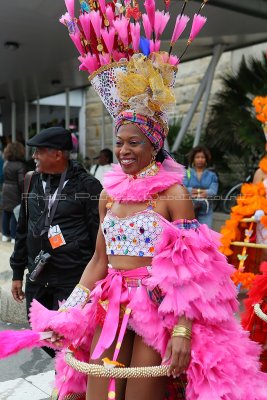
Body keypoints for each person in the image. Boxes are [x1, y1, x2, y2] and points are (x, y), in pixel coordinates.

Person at [25, 24, 267, 400]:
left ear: (154, 145)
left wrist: (183, 331)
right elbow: (98, 261)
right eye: (119, 142)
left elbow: (191, 272)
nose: (123, 150)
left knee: (141, 394)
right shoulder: (108, 194)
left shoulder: (174, 194)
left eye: (134, 142)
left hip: (158, 310)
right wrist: (69, 312)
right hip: (109, 305)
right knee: (98, 393)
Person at [10, 126, 102, 357]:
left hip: (72, 277)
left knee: (72, 340)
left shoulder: (88, 186)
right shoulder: (30, 181)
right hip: (38, 277)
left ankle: (68, 386)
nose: (33, 157)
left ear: (58, 154)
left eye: (38, 151)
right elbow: (23, 229)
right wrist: (17, 272)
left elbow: (99, 235)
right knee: (44, 334)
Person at [183, 145, 218, 228]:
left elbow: (213, 192)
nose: (200, 159)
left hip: (206, 210)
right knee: (189, 233)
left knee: (205, 233)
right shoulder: (187, 173)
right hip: (189, 208)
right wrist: (203, 192)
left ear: (206, 159)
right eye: (197, 157)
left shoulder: (212, 175)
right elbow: (183, 189)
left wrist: (194, 191)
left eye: (202, 157)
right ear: (193, 159)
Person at [2, 142, 26, 243]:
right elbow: (21, 181)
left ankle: (4, 234)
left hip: (6, 189)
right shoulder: (20, 165)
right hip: (15, 191)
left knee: (6, 212)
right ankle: (13, 236)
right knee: (14, 213)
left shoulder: (6, 163)